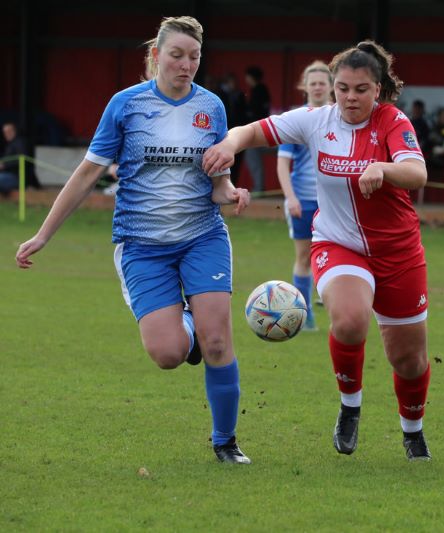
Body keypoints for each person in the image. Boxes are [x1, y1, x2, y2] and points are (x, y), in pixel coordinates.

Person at [14, 16, 253, 463]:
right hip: (142, 246)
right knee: (167, 354)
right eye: (177, 55)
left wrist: (231, 193)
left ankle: (226, 442)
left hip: (202, 237)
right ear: (156, 56)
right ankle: (189, 326)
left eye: (194, 57)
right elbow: (88, 173)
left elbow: (218, 183)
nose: (186, 65)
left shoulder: (213, 108)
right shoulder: (126, 106)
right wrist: (44, 234)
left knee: (219, 340)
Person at [204, 40, 433, 461]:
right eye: (342, 87)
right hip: (337, 243)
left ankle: (412, 431)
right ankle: (350, 407)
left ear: (377, 89)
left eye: (361, 89)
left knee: (409, 359)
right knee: (348, 320)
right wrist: (229, 145)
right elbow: (253, 130)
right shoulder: (315, 121)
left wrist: (383, 168)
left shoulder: (393, 122)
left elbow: (417, 170)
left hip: (399, 252)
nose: (350, 97)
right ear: (332, 86)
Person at [276, 60, 334, 332]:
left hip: (334, 204)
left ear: (331, 86)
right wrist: (291, 198)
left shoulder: (341, 116)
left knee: (335, 256)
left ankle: (339, 312)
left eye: (323, 82)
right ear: (305, 87)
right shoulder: (295, 120)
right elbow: (282, 164)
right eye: (314, 83)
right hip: (303, 201)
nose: (319, 87)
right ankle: (304, 313)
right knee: (303, 257)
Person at [243, 66, 272, 192]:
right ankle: (259, 187)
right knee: (253, 158)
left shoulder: (259, 90)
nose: (246, 79)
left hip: (260, 131)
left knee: (252, 157)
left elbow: (257, 112)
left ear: (251, 77)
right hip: (263, 130)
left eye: (248, 76)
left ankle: (259, 188)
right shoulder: (258, 89)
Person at [0, 122, 27, 195]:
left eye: (8, 131)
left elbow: (22, 160)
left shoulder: (19, 143)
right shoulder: (9, 145)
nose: (6, 134)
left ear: (14, 131)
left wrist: (4, 165)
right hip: (7, 175)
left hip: (16, 177)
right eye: (5, 132)